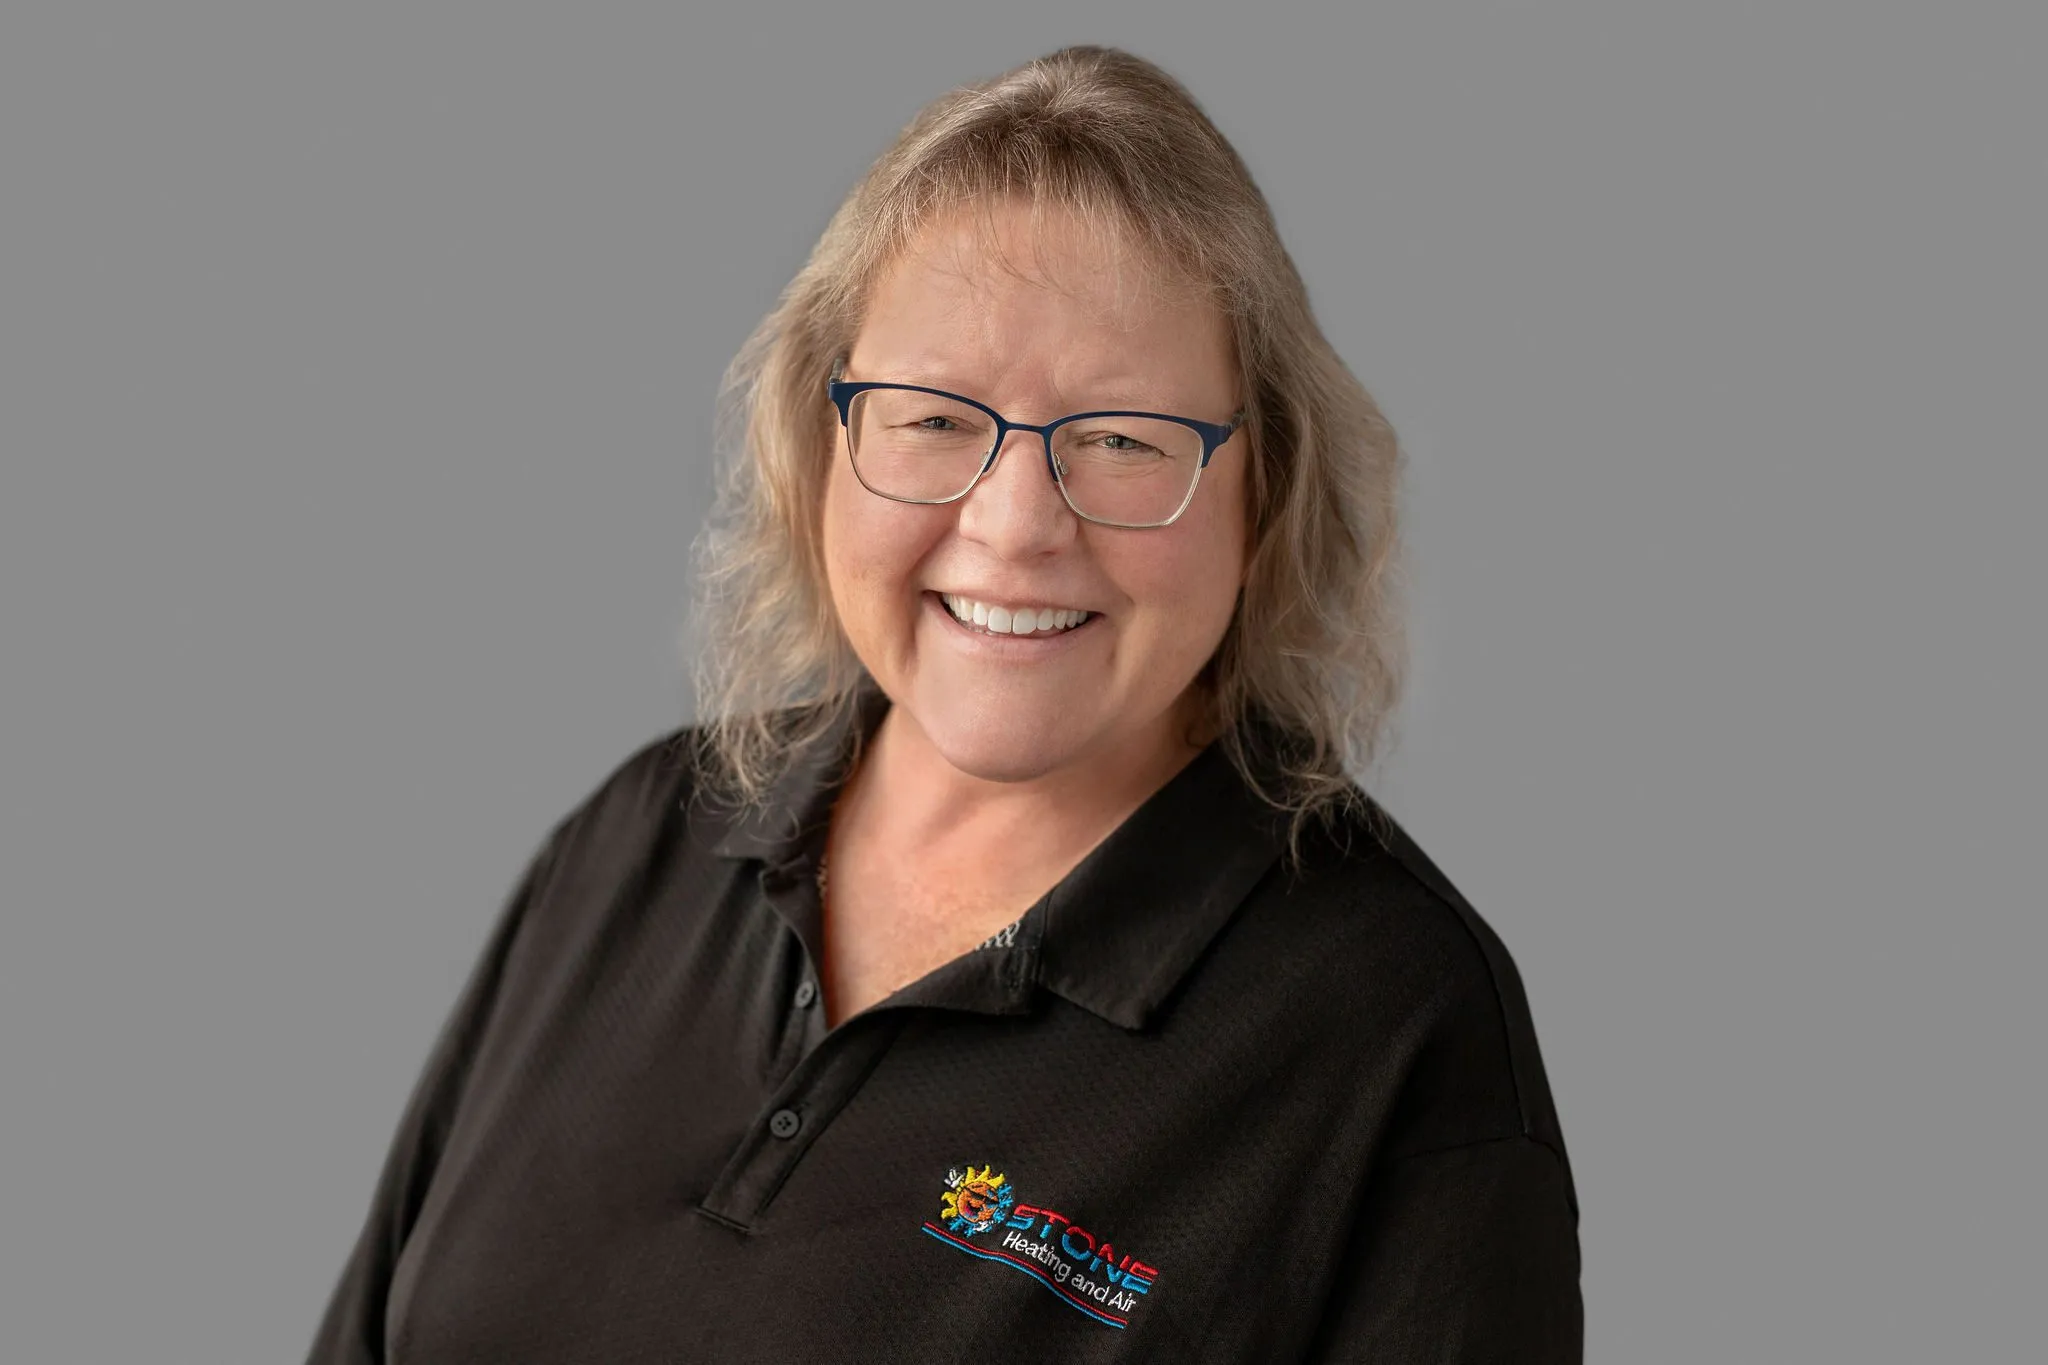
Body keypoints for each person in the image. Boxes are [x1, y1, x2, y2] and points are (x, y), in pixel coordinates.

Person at [306, 44, 1581, 1363]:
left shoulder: (1397, 1034)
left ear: (1270, 491)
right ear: (823, 443)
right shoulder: (644, 838)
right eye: (930, 420)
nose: (1015, 525)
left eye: (1126, 439)